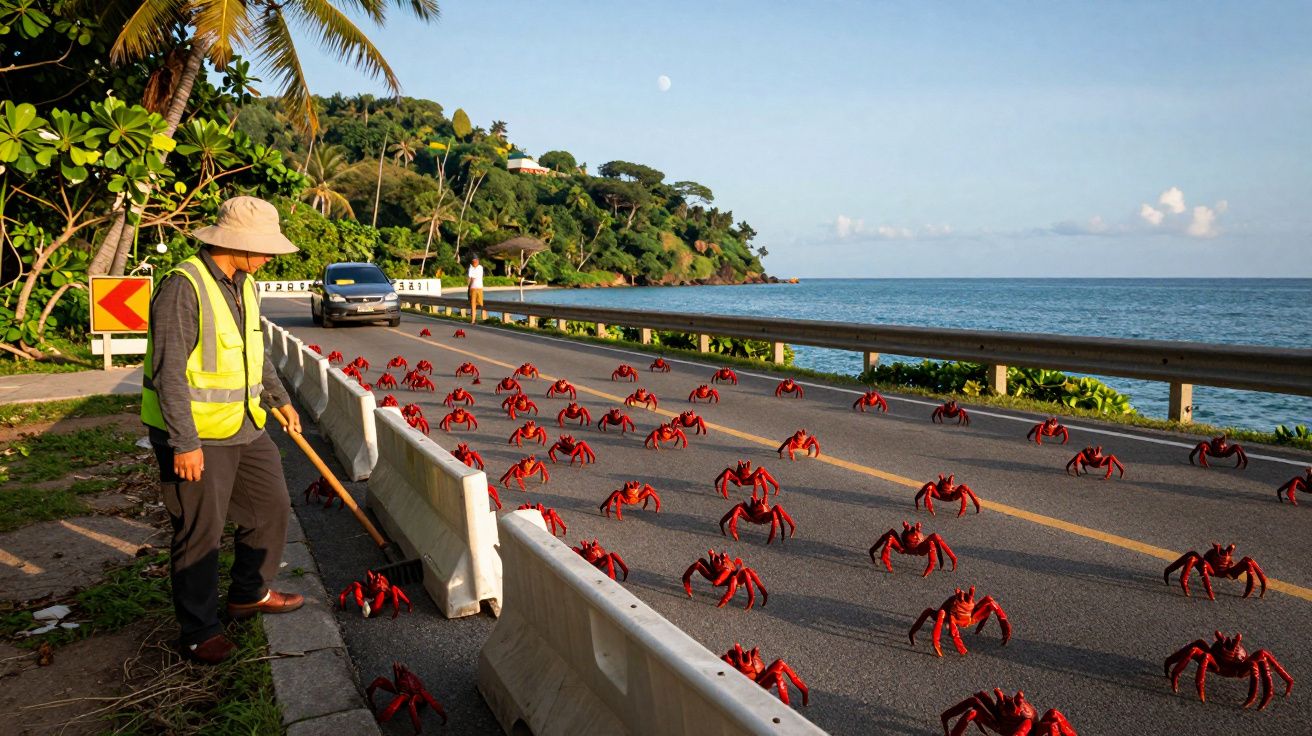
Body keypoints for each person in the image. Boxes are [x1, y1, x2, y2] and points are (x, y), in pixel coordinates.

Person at [141, 196, 305, 665]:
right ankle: (198, 631)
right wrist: (184, 444)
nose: (270, 257)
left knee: (271, 506)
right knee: (201, 532)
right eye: (264, 248)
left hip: (245, 425)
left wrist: (279, 399)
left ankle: (249, 594)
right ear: (236, 243)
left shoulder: (244, 284)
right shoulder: (183, 286)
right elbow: (169, 373)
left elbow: (256, 353)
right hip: (195, 435)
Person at [466, 256, 486, 323]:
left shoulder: (479, 268)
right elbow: (470, 278)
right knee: (474, 305)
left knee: (478, 304)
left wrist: (469, 286)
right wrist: (469, 286)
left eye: (475, 261)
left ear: (478, 261)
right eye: (473, 261)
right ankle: (473, 320)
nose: (474, 262)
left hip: (477, 288)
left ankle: (476, 319)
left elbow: (471, 278)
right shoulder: (472, 268)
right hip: (475, 288)